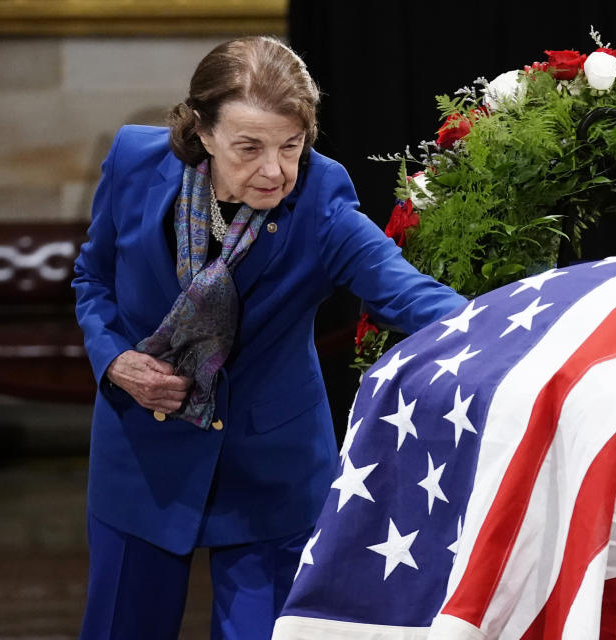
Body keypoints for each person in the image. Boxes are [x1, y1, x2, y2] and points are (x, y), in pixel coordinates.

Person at [71, 36, 465, 639]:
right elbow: (93, 278)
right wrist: (115, 359)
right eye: (249, 148)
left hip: (269, 477)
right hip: (139, 457)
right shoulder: (132, 161)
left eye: (291, 145)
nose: (275, 171)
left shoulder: (321, 199)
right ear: (202, 131)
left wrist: (519, 327)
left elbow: (406, 293)